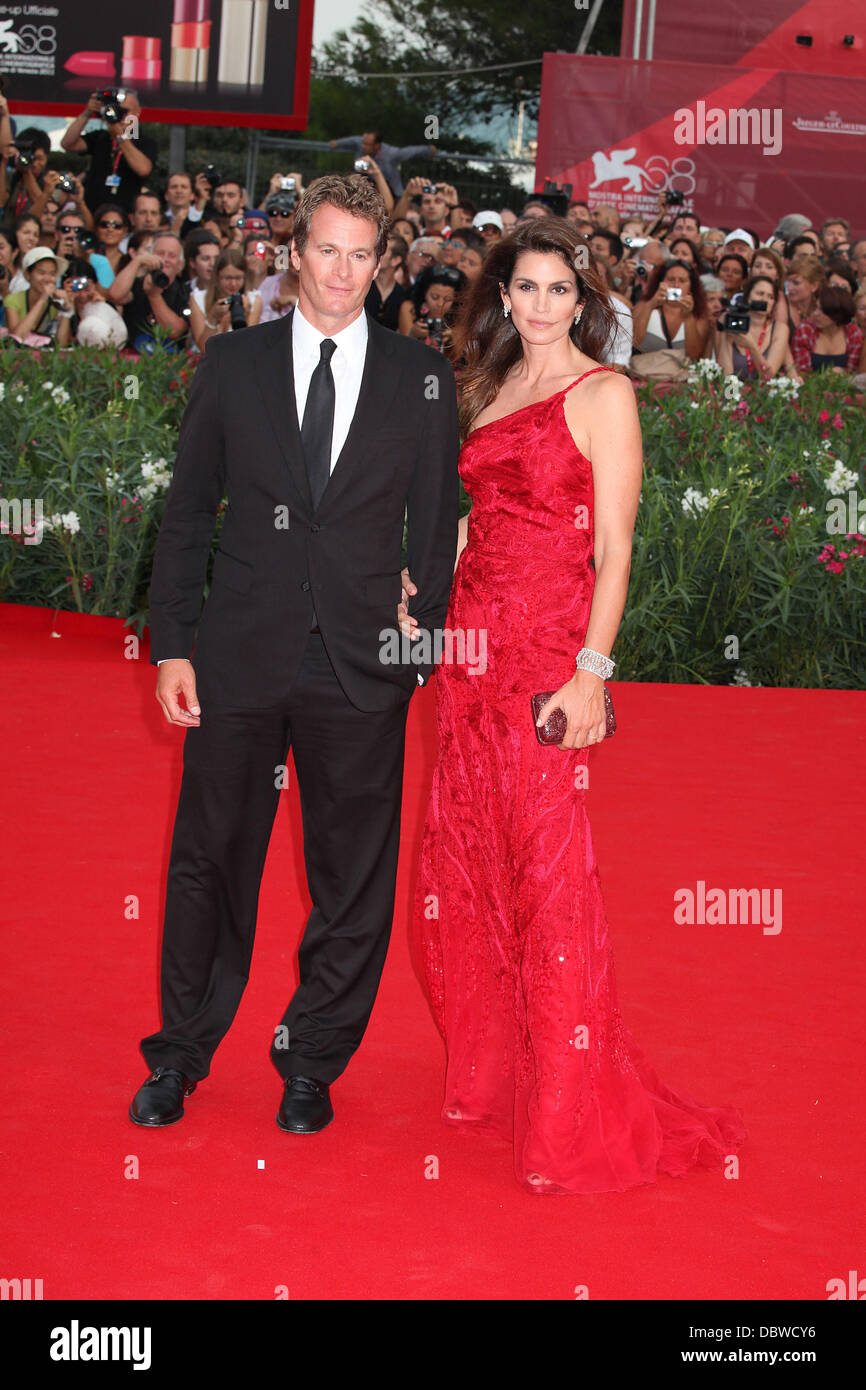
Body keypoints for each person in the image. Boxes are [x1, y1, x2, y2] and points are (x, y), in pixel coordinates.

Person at [408, 216, 747, 1193]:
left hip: (547, 669)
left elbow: (615, 548)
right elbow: (475, 521)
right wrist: (416, 595)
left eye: (559, 289)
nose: (542, 305)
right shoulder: (488, 389)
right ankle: (494, 1070)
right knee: (469, 868)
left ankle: (566, 1108)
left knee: (549, 878)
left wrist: (592, 672)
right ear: (503, 296)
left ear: (583, 301)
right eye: (526, 288)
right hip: (466, 663)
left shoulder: (603, 395)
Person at [129, 173, 460, 1135]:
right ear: (294, 252)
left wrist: (419, 638)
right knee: (207, 863)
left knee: (351, 876)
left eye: (362, 253)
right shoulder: (233, 363)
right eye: (327, 249)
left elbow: (435, 527)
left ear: (382, 260)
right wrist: (174, 646)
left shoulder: (420, 377)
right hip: (238, 653)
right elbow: (187, 512)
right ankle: (180, 1056)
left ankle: (312, 1060)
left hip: (360, 668)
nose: (343, 272)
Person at [61, 91, 156, 214]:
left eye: (125, 112)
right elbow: (68, 144)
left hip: (125, 215)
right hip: (93, 212)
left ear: (137, 113)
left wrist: (120, 135)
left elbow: (143, 169)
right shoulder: (101, 137)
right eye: (117, 111)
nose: (120, 116)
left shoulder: (145, 142)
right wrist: (87, 112)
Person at [715, 273, 789, 381]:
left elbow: (768, 376)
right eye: (760, 293)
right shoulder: (730, 320)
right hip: (733, 393)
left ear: (774, 303)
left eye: (770, 297)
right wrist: (726, 337)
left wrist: (752, 347)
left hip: (764, 395)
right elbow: (725, 376)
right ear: (747, 296)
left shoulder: (780, 329)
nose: (765, 299)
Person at [632, 259, 710, 359]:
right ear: (661, 282)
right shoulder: (643, 305)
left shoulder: (699, 315)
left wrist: (688, 317)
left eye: (682, 281)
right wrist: (651, 304)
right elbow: (634, 342)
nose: (676, 285)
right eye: (671, 279)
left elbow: (694, 355)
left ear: (691, 286)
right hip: (641, 372)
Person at [328, 130, 438, 198]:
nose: (363, 146)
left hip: (390, 189)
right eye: (363, 143)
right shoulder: (361, 143)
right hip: (365, 187)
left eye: (367, 144)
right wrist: (337, 143)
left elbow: (410, 151)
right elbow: (351, 140)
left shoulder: (391, 154)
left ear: (376, 145)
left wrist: (428, 150)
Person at [791, 285, 863, 375]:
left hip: (844, 387)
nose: (816, 313)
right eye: (816, 308)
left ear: (837, 314)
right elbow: (802, 371)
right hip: (810, 387)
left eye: (823, 311)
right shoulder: (805, 331)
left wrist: (843, 373)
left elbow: (853, 372)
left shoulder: (853, 333)